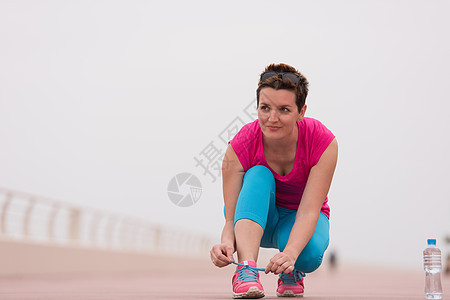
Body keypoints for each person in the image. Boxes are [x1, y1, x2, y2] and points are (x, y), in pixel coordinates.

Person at [210, 63, 338, 298]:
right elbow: (231, 216)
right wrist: (226, 243)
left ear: (302, 111)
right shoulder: (241, 144)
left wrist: (290, 253)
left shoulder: (322, 141)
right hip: (256, 219)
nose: (272, 118)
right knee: (258, 174)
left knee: (307, 256)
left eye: (284, 110)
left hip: (299, 217)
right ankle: (247, 271)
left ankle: (291, 271)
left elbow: (310, 211)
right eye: (265, 108)